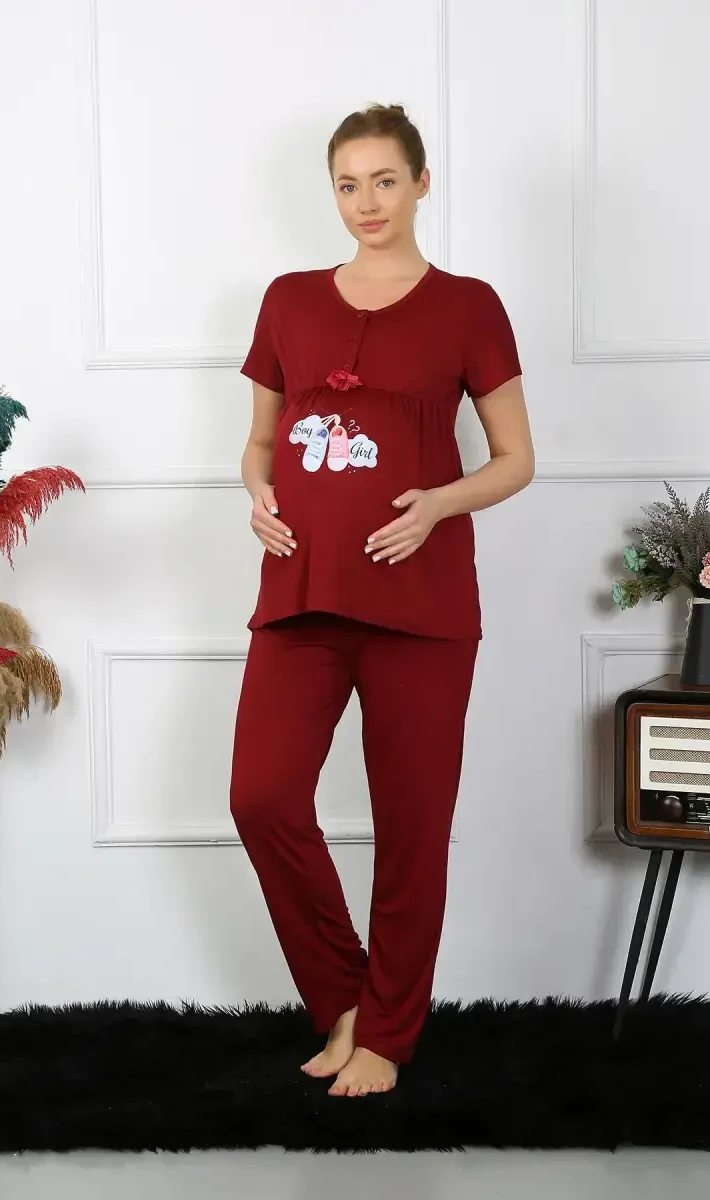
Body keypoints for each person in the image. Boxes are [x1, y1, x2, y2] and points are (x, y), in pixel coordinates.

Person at [229, 102, 534, 1099]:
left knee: (410, 827)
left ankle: (387, 1037)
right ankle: (346, 1000)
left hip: (423, 608)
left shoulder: (469, 307)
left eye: (385, 181)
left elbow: (515, 459)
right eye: (348, 185)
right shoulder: (287, 300)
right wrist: (259, 496)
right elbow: (260, 443)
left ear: (420, 184)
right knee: (261, 797)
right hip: (300, 596)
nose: (366, 202)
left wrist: (438, 504)